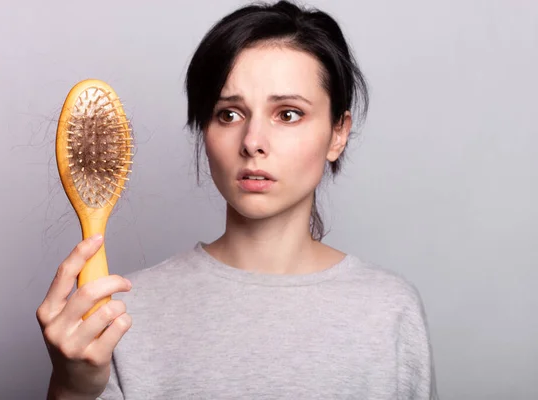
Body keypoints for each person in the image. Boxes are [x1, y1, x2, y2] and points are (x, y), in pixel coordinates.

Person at [36, 1, 439, 399]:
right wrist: (72, 389)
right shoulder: (114, 318)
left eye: (288, 114)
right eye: (229, 115)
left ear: (338, 133)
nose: (252, 143)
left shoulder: (389, 310)